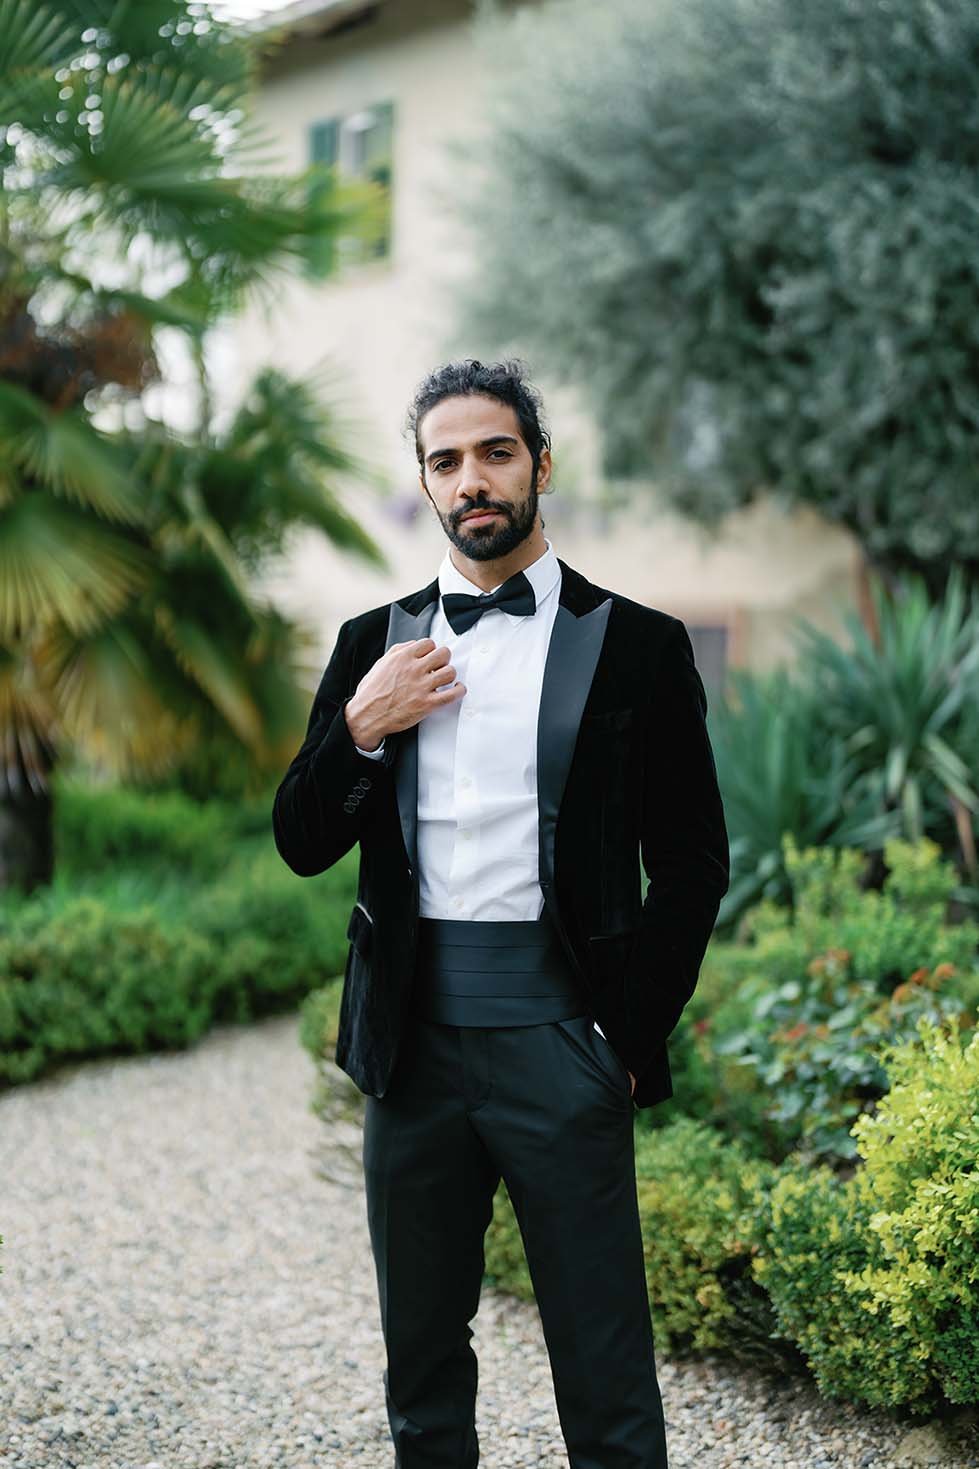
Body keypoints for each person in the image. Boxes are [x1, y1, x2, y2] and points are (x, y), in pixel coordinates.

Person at [272, 357, 729, 1469]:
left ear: (539, 464)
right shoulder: (367, 643)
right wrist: (362, 728)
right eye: (445, 460)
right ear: (424, 485)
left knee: (604, 1358)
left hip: (563, 1037)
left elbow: (692, 862)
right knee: (420, 1357)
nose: (471, 478)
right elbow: (301, 838)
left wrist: (625, 1035)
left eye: (494, 452)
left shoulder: (638, 644)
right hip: (411, 1047)